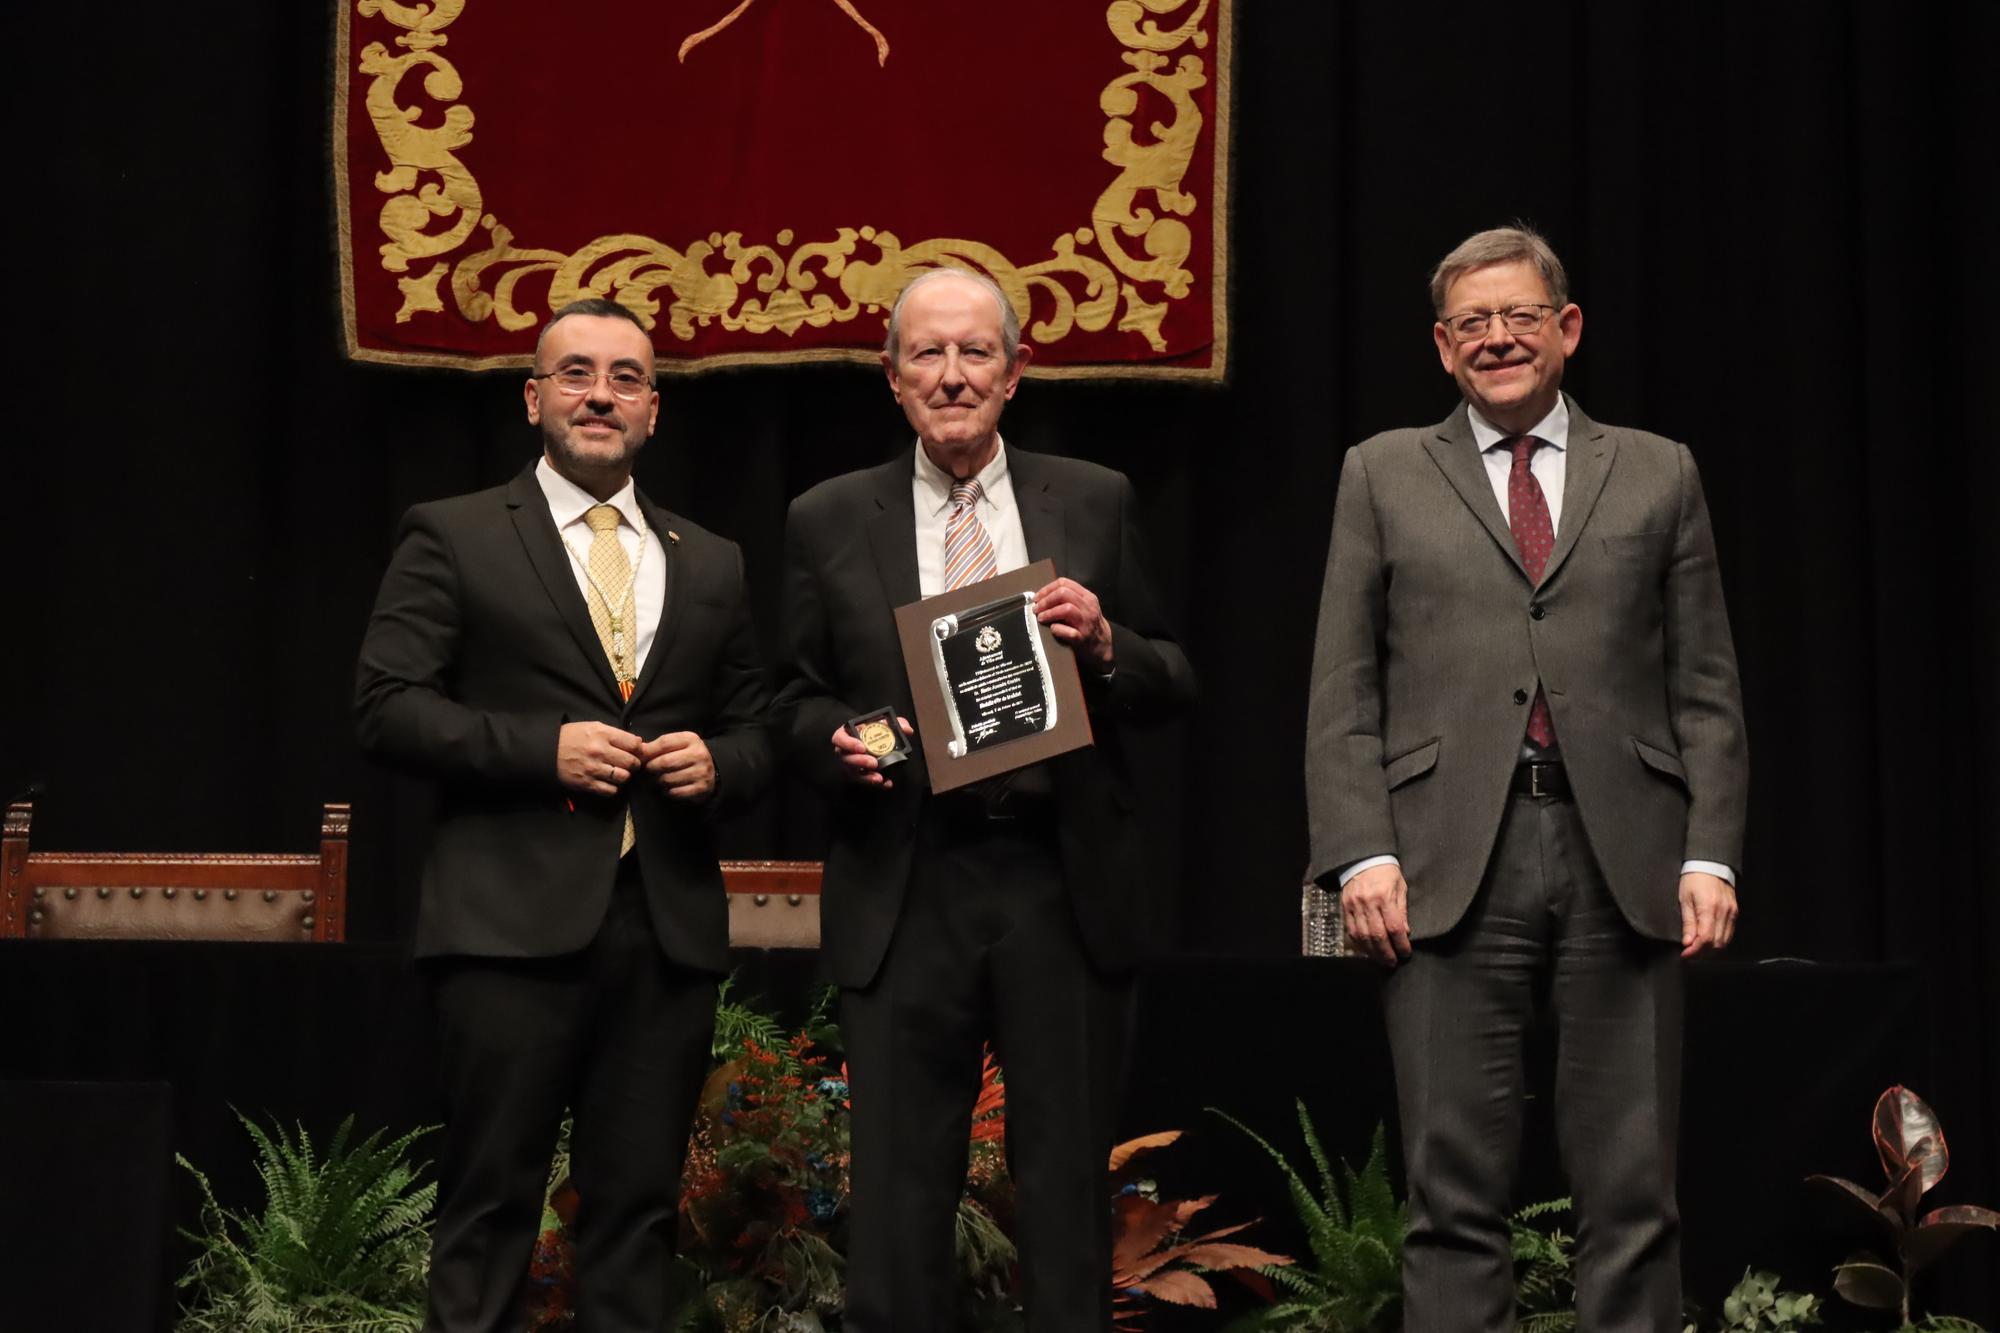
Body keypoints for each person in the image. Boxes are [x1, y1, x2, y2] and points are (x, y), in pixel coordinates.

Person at [1306, 225, 1748, 1331]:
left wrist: (1708, 849)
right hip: (1447, 861)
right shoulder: (1379, 471)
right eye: (1471, 324)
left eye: (1516, 316)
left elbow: (1704, 684)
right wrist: (1359, 850)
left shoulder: (1657, 469)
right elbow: (1342, 688)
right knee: (1450, 1195)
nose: (1496, 339)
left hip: (1628, 860)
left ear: (1566, 328)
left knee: (1632, 1191)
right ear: (1442, 348)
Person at [773, 268, 1197, 1331]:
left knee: (1060, 1186)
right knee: (900, 1189)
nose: (950, 374)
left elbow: (1172, 674)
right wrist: (833, 747)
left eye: (973, 353)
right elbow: (786, 697)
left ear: (1015, 373)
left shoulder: (1091, 497)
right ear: (891, 376)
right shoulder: (826, 517)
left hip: (1059, 876)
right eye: (926, 353)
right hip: (906, 876)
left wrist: (1105, 644)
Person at [355, 298, 771, 1333]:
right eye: (576, 373)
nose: (601, 394)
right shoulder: (451, 533)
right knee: (491, 1202)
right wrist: (539, 749)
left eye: (625, 377)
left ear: (653, 410)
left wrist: (715, 761)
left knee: (636, 1211)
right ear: (535, 397)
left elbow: (761, 731)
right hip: (506, 929)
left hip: (663, 930)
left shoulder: (709, 557)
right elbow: (386, 707)